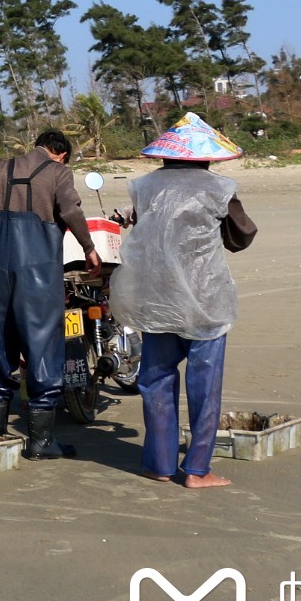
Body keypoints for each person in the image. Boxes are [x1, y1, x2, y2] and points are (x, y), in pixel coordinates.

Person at [109, 113, 257, 489]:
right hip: (204, 303)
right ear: (206, 156)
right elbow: (241, 236)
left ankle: (159, 464)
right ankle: (196, 470)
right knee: (204, 388)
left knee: (155, 380)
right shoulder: (218, 189)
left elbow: (144, 226)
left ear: (166, 154)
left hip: (157, 301)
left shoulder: (143, 187)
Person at [0, 129, 102, 458]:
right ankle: (41, 442)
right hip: (36, 267)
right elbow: (71, 212)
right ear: (60, 153)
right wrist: (89, 247)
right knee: (43, 342)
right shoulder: (58, 172)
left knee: (2, 337)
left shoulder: (3, 168)